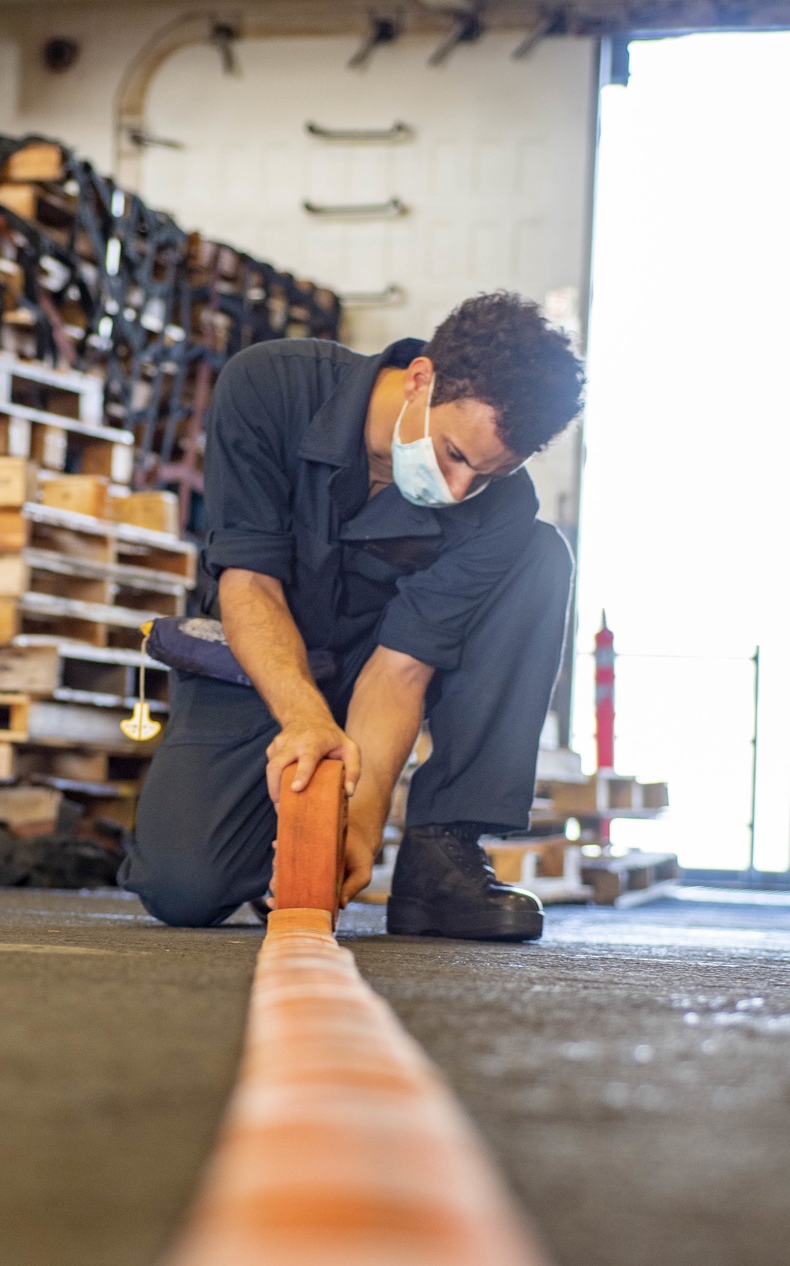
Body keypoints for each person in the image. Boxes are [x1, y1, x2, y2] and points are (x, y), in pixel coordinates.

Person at [120, 291, 585, 939]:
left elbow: (399, 671)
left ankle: (440, 856)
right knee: (184, 889)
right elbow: (250, 584)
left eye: (483, 475)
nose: (458, 490)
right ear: (422, 378)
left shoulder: (499, 507)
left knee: (540, 556)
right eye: (454, 455)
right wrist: (307, 722)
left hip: (376, 673)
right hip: (262, 659)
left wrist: (357, 828)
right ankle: (274, 853)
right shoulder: (269, 387)